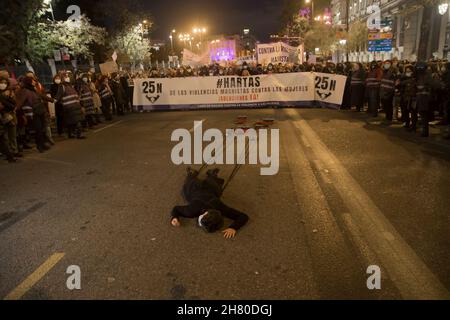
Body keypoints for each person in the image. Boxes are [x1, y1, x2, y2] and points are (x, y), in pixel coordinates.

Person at [171, 168, 249, 239]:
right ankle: (191, 174)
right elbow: (176, 209)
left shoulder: (220, 208)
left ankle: (211, 174)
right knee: (190, 182)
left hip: (209, 190)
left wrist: (233, 227)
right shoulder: (192, 210)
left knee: (213, 184)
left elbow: (243, 216)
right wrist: (174, 217)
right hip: (194, 189)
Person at [15, 77, 54, 152]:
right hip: (34, 113)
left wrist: (52, 100)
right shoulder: (25, 91)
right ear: (28, 82)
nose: (34, 82)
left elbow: (41, 96)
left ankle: (43, 144)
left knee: (42, 129)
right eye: (32, 81)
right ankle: (40, 146)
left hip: (40, 111)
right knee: (38, 130)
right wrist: (16, 109)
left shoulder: (33, 89)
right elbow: (20, 103)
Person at [55, 73, 85, 139]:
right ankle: (77, 134)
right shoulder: (62, 86)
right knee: (73, 121)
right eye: (66, 77)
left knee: (74, 121)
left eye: (67, 77)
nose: (67, 78)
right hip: (69, 107)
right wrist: (54, 100)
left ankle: (73, 134)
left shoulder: (70, 86)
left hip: (75, 106)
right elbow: (58, 97)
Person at [0, 75, 21, 158]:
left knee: (12, 134)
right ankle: (7, 152)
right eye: (1, 83)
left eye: (5, 83)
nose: (3, 84)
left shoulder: (10, 92)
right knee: (4, 136)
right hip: (2, 116)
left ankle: (14, 150)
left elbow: (14, 103)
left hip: (11, 115)